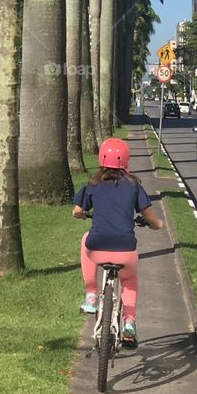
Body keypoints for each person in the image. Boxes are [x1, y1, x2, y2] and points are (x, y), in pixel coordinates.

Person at [72, 137, 163, 349]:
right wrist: (156, 225)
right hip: (125, 250)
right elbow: (149, 215)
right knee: (129, 281)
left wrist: (84, 214)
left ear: (101, 158)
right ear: (126, 161)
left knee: (86, 239)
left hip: (97, 247)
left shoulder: (93, 185)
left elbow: (76, 211)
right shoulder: (133, 185)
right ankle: (129, 323)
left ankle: (92, 294)